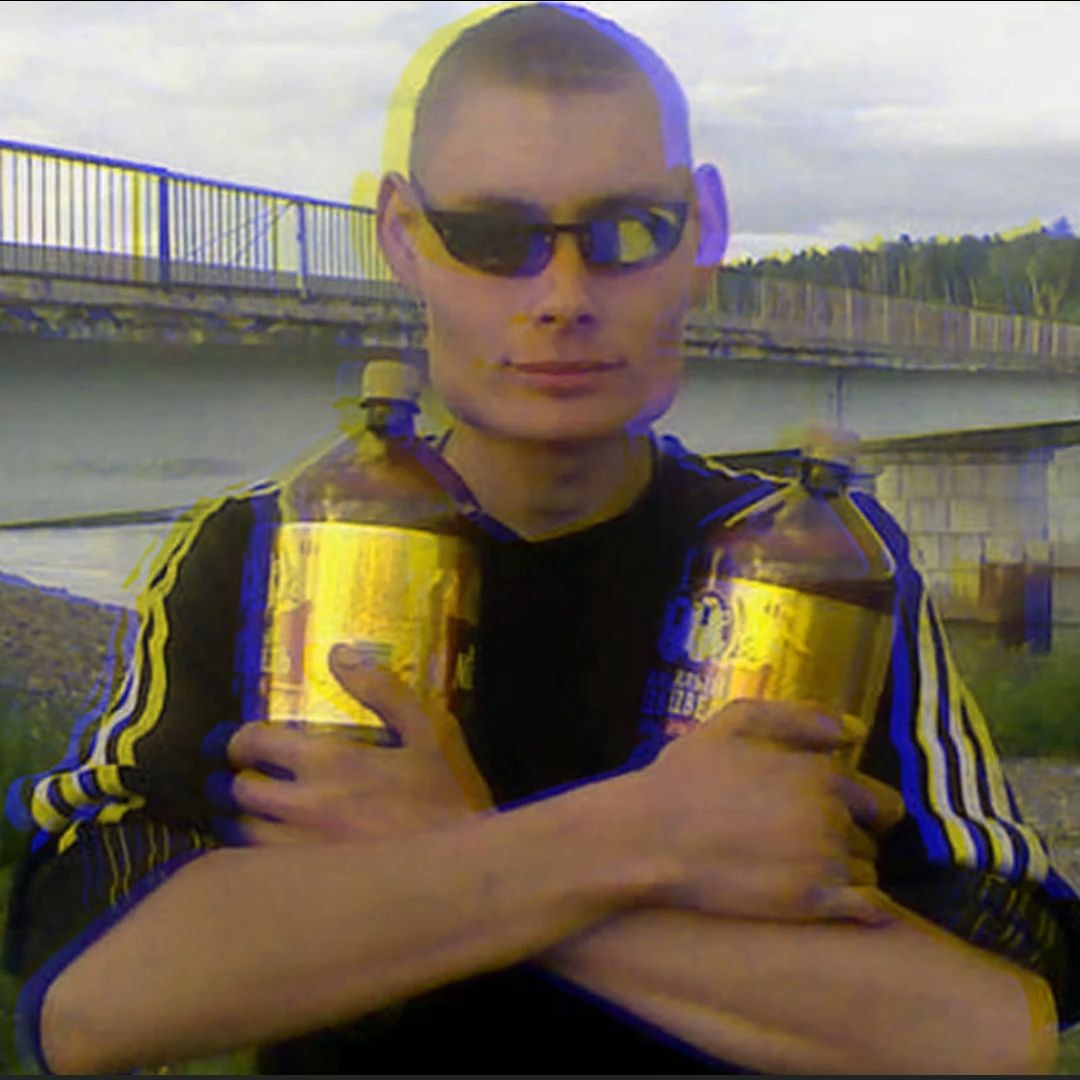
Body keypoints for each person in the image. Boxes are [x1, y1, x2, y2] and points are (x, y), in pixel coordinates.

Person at [5, 2, 1078, 1073]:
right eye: (492, 237)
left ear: (704, 229)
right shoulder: (258, 551)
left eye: (627, 232)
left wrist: (441, 860)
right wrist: (645, 836)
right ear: (402, 236)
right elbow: (88, 1002)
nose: (563, 298)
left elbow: (996, 1032)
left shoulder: (826, 567)